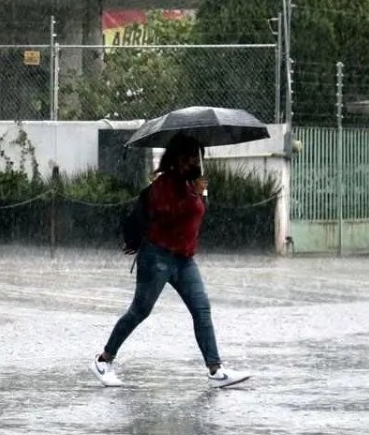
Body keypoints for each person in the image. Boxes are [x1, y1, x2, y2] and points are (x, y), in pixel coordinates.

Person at [90, 134, 251, 389]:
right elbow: (167, 215)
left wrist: (199, 194)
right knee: (139, 311)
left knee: (201, 309)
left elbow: (193, 216)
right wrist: (193, 196)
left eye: (197, 157)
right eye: (189, 157)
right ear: (177, 158)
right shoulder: (163, 184)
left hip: (184, 260)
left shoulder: (193, 184)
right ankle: (103, 359)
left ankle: (215, 370)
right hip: (157, 257)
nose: (194, 163)